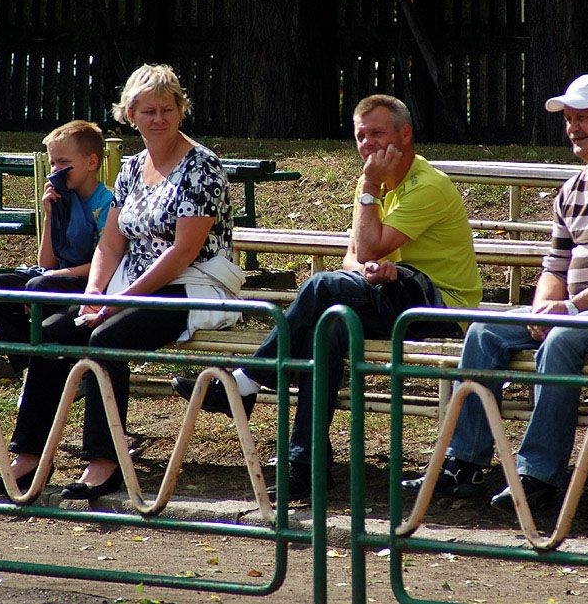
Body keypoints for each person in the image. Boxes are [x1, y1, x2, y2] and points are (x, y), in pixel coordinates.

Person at [172, 94, 482, 501]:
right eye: (360, 135)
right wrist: (367, 269)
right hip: (393, 295)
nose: (367, 144)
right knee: (329, 325)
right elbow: (355, 255)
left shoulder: (427, 187)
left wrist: (370, 207)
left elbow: (367, 249)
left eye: (378, 133)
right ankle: (306, 465)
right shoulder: (369, 181)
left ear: (405, 135)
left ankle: (247, 380)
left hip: (442, 308)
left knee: (322, 287)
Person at [403, 75, 588, 514]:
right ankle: (465, 462)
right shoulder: (572, 186)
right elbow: (554, 264)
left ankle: (538, 474)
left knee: (562, 338)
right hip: (585, 309)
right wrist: (543, 308)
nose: (573, 126)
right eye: (569, 119)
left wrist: (569, 309)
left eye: (583, 117)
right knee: (484, 331)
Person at [0, 64, 244, 499]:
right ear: (130, 115)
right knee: (49, 334)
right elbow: (110, 240)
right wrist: (95, 293)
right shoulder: (133, 167)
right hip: (133, 281)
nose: (158, 118)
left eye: (167, 108)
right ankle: (28, 456)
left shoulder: (202, 165)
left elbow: (183, 252)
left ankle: (105, 462)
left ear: (181, 110)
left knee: (105, 337)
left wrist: (118, 300)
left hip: (196, 283)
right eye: (147, 110)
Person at [0, 120, 113, 376]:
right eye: (52, 163)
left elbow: (104, 261)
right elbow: (47, 263)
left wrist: (54, 276)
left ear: (91, 162)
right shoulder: (61, 199)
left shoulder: (107, 203)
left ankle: (56, 366)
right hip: (52, 279)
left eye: (63, 163)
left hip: (91, 282)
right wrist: (49, 215)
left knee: (38, 288)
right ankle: (32, 366)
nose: (55, 170)